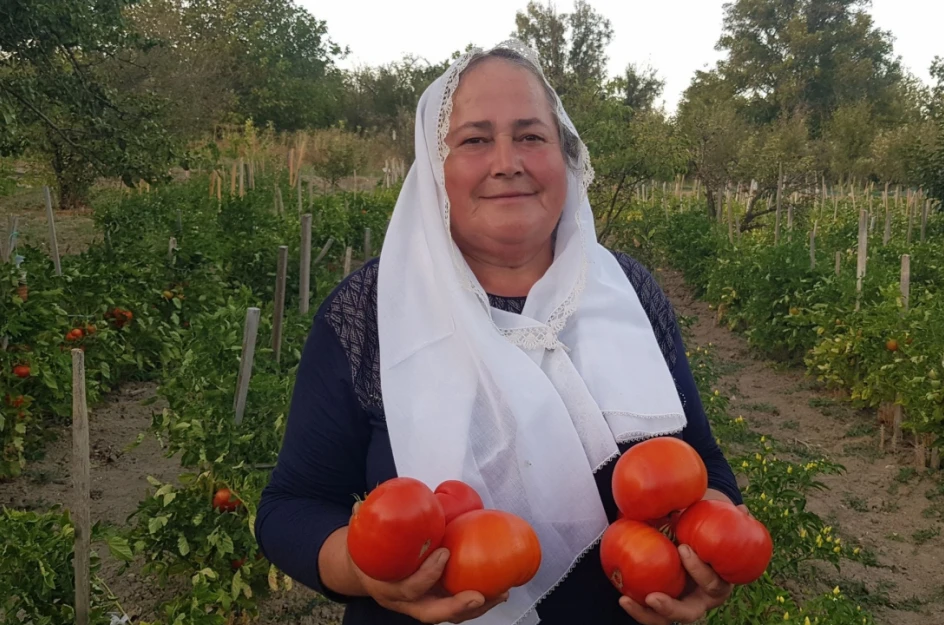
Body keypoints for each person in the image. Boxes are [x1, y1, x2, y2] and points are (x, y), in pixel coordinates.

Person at [255, 40, 749, 625]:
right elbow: (292, 508)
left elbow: (705, 466)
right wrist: (364, 571)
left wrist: (713, 549)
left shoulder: (627, 291)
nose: (507, 161)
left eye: (531, 136)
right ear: (434, 169)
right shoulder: (371, 312)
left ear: (564, 156)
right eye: (474, 139)